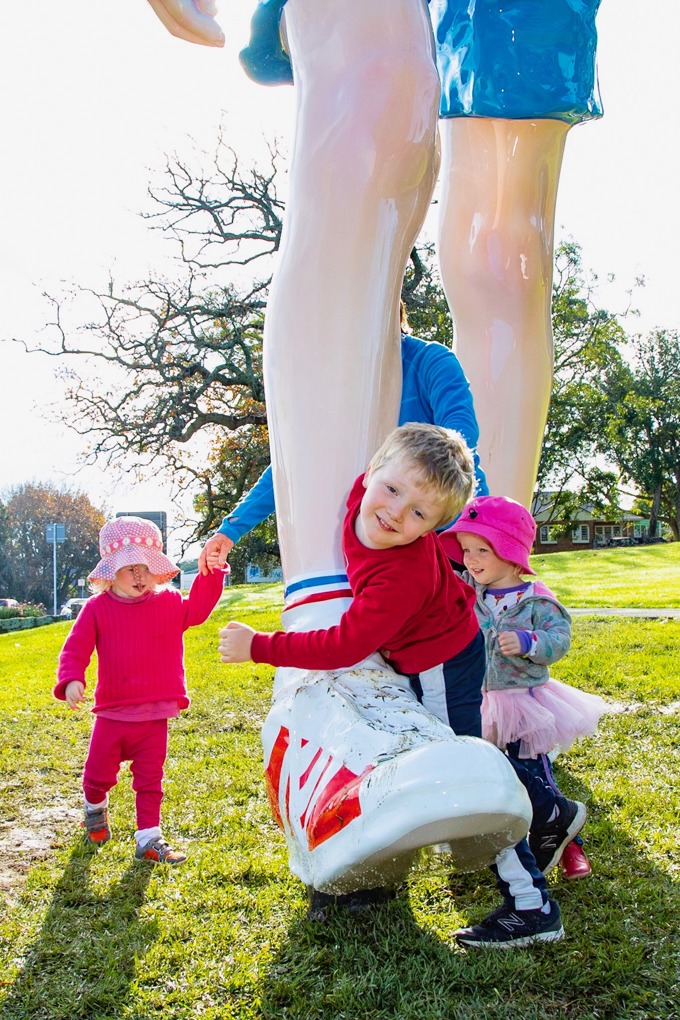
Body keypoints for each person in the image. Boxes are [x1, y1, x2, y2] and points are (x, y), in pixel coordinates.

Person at [219, 424, 581, 947]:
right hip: (432, 648)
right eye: (392, 490)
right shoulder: (357, 498)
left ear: (435, 526)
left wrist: (260, 647)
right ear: (372, 473)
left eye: (419, 514)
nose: (394, 513)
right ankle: (552, 811)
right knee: (462, 760)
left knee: (469, 768)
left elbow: (341, 646)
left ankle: (531, 904)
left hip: (442, 662)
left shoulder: (398, 577)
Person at [199, 302, 488, 571]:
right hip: (388, 539)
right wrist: (230, 530)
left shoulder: (430, 360)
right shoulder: (340, 390)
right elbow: (292, 463)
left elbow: (460, 435)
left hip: (457, 533)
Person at [441, 495, 608, 881]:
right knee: (495, 775)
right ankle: (501, 845)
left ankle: (568, 842)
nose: (471, 559)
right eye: (466, 550)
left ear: (511, 552)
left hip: (524, 702)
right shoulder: (469, 591)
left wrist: (531, 642)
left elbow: (560, 640)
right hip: (481, 701)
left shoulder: (535, 599)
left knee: (535, 772)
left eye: (482, 550)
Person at [53, 515, 226, 865]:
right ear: (110, 572)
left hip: (155, 713)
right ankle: (95, 807)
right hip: (113, 713)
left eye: (146, 567)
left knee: (150, 780)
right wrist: (72, 678)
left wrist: (212, 571)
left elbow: (199, 609)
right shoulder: (97, 609)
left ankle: (149, 838)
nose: (138, 576)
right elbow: (76, 648)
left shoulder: (170, 603)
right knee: (98, 775)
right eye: (129, 568)